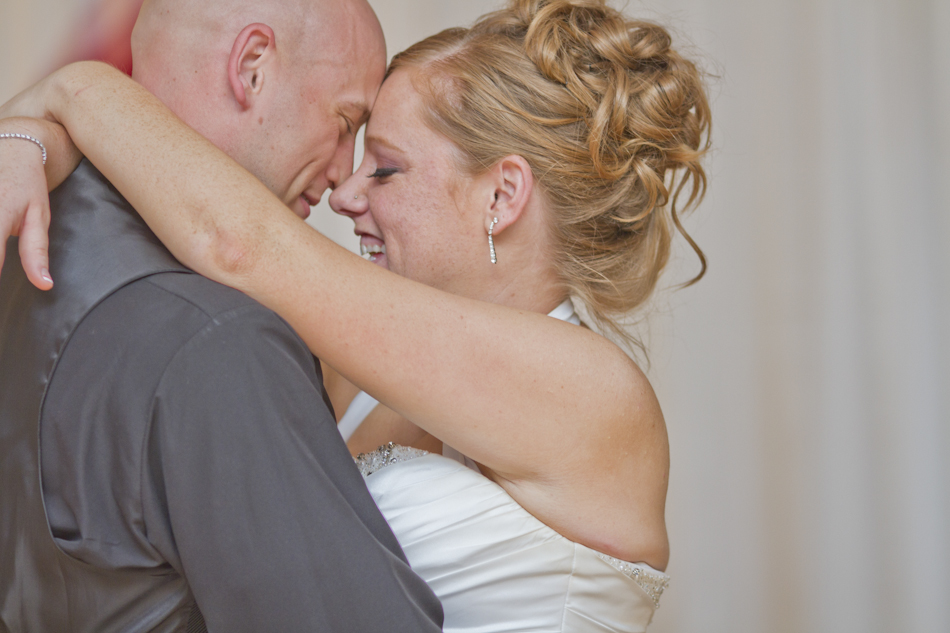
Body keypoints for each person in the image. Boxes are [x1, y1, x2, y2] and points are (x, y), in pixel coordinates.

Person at [0, 0, 711, 630]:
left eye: (387, 169)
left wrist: (75, 87)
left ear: (502, 195)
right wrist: (37, 138)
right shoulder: (347, 368)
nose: (345, 193)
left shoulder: (593, 394)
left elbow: (239, 241)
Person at [0, 0, 444, 631]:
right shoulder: (221, 344)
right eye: (346, 122)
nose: (345, 173)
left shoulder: (26, 228)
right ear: (252, 66)